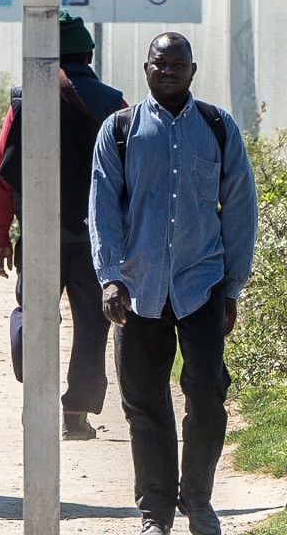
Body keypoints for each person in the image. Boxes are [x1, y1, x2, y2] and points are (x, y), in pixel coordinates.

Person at [88, 32, 257, 535]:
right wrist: (109, 276)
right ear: (146, 68)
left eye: (177, 65)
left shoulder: (217, 127)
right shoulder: (119, 130)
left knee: (206, 391)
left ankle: (198, 501)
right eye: (160, 64)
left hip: (200, 284)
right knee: (143, 400)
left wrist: (232, 286)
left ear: (192, 69)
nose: (169, 71)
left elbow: (240, 209)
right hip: (137, 288)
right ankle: (155, 512)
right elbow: (102, 208)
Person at [0, 10, 126, 440]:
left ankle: (38, 398)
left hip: (40, 236)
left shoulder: (24, 100)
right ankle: (77, 414)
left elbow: (2, 175)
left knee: (33, 315)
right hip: (96, 240)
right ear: (88, 53)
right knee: (92, 324)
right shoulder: (115, 104)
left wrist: (0, 238)